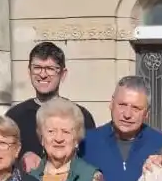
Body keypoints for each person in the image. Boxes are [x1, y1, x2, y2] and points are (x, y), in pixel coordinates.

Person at [7, 42, 97, 171]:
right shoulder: (14, 116)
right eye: (37, 67)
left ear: (63, 74)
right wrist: (21, 159)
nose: (43, 74)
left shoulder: (80, 116)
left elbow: (89, 161)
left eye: (50, 68)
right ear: (29, 71)